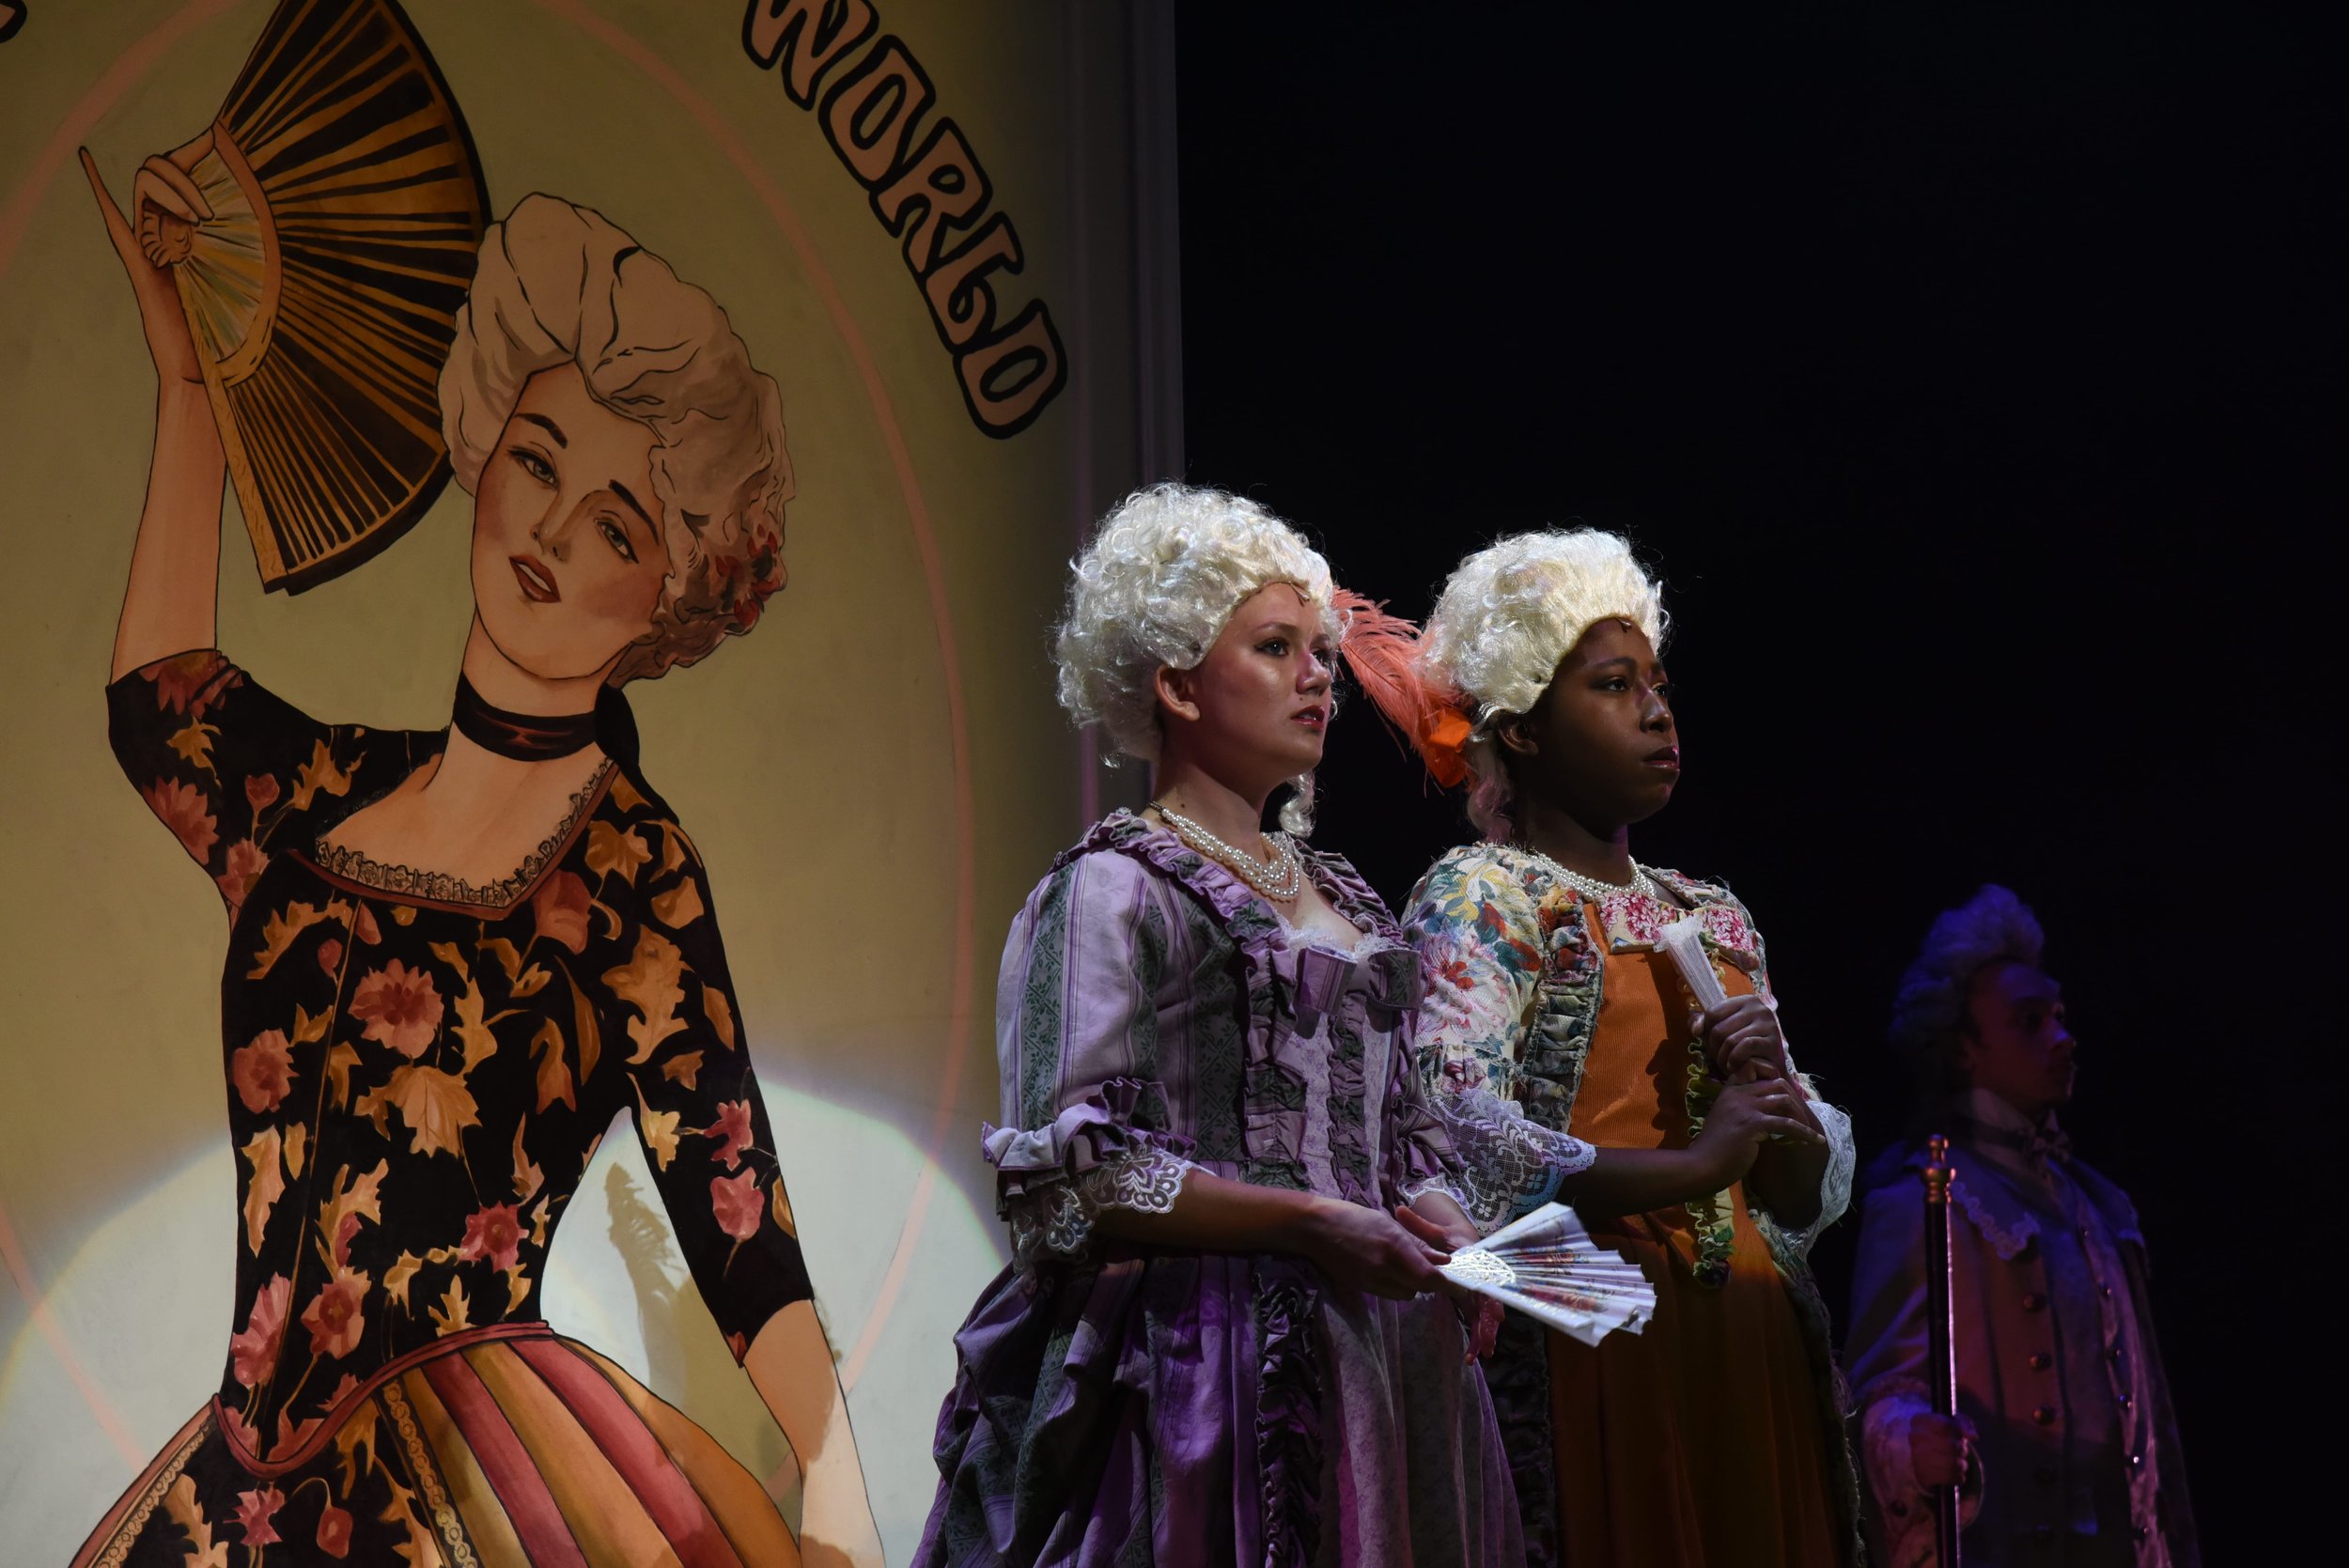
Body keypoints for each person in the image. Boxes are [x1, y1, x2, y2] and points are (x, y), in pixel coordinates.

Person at [72, 159, 880, 1568]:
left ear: (669, 595)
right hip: (238, 1483)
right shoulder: (318, 794)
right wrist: (188, 390)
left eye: (619, 525)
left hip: (468, 1485)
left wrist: (827, 1465)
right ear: (484, 450)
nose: (556, 533)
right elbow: (157, 698)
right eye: (540, 460)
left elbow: (728, 1191)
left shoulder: (629, 858)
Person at [916, 484, 1520, 1568]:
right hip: (1203, 1359)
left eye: (1321, 650)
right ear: (1176, 683)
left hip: (1382, 1353)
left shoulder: (1351, 899)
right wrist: (1307, 1222)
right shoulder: (1109, 889)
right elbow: (1072, 1174)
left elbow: (1405, 1129)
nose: (1317, 674)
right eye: (1275, 647)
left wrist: (1443, 1218)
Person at [1357, 529, 1860, 1566]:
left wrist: (1772, 1092)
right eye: (1612, 683)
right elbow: (1453, 1126)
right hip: (1589, 1318)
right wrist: (1693, 1162)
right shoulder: (1485, 892)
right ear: (1524, 729)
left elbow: (1797, 1190)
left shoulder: (1711, 912)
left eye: (1658, 682)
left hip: (1741, 1331)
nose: (1657, 709)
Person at [1844, 886, 2199, 1566]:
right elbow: (1881, 1394)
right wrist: (1910, 1440)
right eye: (2030, 1020)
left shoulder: (2099, 1203)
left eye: (2060, 1016)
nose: (2063, 1036)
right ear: (1963, 1050)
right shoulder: (1925, 1197)